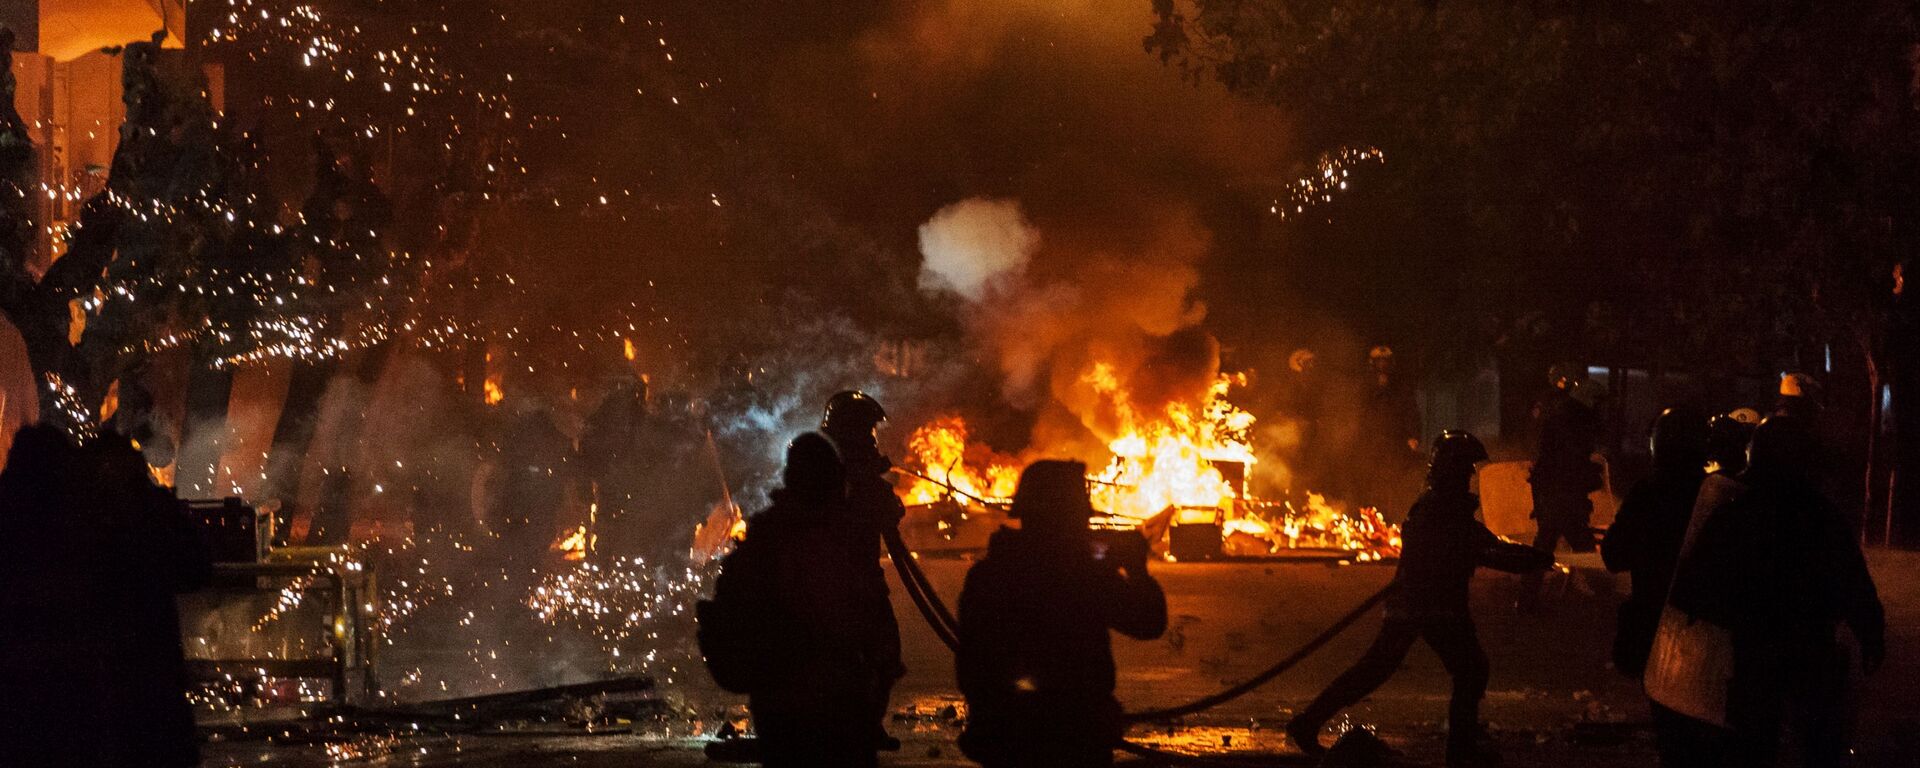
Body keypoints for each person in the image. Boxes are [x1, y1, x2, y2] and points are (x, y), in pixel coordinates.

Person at [1287, 431, 1552, 768]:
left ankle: (1308, 723)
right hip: (1430, 606)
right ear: (1453, 470)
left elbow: (1484, 543)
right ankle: (1461, 751)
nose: (1471, 477)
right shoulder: (1440, 510)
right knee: (1468, 670)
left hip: (1421, 604)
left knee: (1381, 670)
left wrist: (1531, 557)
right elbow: (1482, 549)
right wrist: (1531, 560)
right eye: (1467, 469)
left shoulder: (1439, 506)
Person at [1671, 416, 1885, 767]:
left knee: (1752, 744)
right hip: (1811, 648)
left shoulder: (1736, 512)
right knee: (1817, 744)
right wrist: (1871, 632)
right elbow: (1853, 582)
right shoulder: (1820, 515)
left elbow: (1691, 588)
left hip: (1753, 650)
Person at [0, 426, 209, 767]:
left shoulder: (57, 524)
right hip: (143, 699)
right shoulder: (107, 523)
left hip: (41, 707)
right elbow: (196, 568)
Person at [957, 460, 1167, 768]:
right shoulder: (1081, 574)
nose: (1086, 520)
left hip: (1005, 740)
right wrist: (1136, 568)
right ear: (1066, 517)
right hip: (1074, 739)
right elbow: (1148, 623)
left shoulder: (987, 574)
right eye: (1080, 512)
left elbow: (971, 670)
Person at [709, 433, 894, 768]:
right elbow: (872, 622)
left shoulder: (766, 536)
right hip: (837, 704)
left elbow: (730, 611)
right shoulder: (843, 536)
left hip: (782, 706)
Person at [1601, 407, 1715, 766]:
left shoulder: (1649, 493)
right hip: (1707, 630)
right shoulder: (1718, 493)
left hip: (1657, 627)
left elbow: (1614, 554)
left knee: (1671, 730)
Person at [817, 390, 907, 749]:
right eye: (868, 431)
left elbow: (889, 509)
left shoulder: (841, 470)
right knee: (868, 658)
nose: (873, 438)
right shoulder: (831, 474)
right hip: (843, 589)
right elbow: (877, 510)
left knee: (880, 657)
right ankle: (852, 728)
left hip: (860, 585)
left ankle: (862, 726)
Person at [1520, 377, 1604, 611]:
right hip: (1558, 492)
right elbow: (1568, 460)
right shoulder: (1570, 420)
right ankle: (1601, 594)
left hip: (1559, 491)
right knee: (1561, 543)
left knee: (1563, 543)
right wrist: (1586, 473)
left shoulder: (1569, 417)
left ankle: (1528, 599)